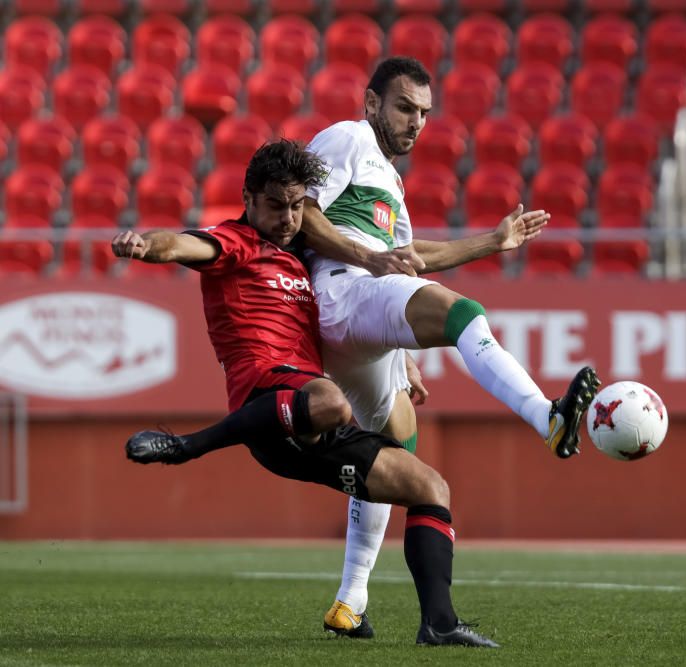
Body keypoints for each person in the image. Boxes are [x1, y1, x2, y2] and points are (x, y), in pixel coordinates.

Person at [112, 139, 499, 648]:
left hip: (310, 428)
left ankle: (440, 623)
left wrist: (401, 356)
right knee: (331, 401)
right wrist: (146, 246)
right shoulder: (236, 242)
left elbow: (364, 306)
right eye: (276, 205)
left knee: (430, 488)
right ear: (249, 200)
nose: (289, 217)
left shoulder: (305, 263)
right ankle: (188, 446)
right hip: (267, 400)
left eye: (297, 206)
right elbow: (186, 245)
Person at [297, 56, 602, 638]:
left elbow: (413, 260)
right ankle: (547, 418)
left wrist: (494, 240)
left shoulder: (391, 181)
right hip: (340, 294)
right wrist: (369, 259)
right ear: (371, 104)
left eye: (424, 114)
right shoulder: (347, 137)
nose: (415, 122)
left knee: (398, 447)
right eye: (404, 108)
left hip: (366, 315)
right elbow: (304, 216)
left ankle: (353, 602)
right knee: (462, 312)